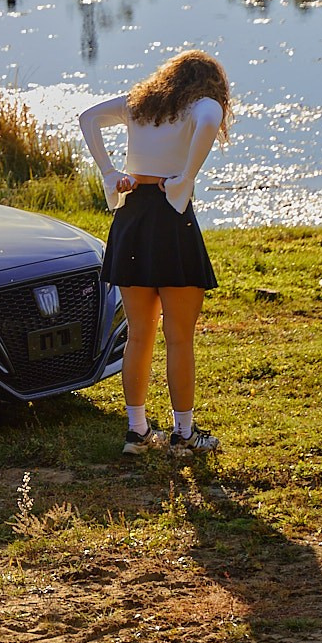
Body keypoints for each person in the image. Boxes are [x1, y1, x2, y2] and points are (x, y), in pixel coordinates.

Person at [78, 50, 229, 457]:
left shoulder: (139, 103)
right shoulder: (201, 104)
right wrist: (187, 177)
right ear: (210, 83)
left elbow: (88, 118)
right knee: (179, 338)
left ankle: (137, 431)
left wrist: (110, 172)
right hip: (171, 218)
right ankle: (184, 434)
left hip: (131, 218)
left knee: (138, 335)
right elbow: (210, 120)